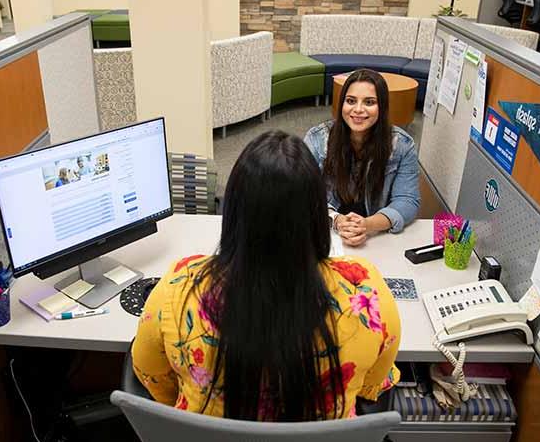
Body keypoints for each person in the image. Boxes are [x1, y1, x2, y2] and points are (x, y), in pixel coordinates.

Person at [132, 130, 401, 421]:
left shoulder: (178, 285)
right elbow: (373, 386)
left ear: (234, 212)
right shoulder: (366, 290)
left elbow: (152, 376)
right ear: (315, 216)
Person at [304, 69, 420, 247]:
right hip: (326, 233)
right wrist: (336, 220)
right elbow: (304, 195)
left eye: (369, 102)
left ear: (382, 107)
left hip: (377, 239)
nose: (358, 110)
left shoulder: (402, 145)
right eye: (351, 101)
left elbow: (407, 200)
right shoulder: (317, 139)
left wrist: (367, 225)